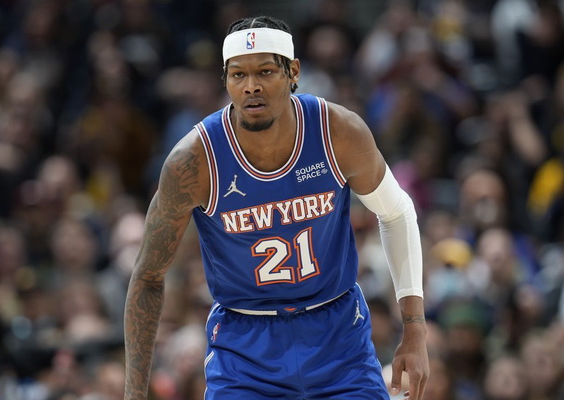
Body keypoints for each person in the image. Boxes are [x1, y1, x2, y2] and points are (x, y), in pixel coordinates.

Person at [124, 15, 429, 400]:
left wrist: (414, 330)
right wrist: (134, 395)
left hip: (338, 338)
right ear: (225, 81)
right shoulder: (194, 160)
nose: (251, 86)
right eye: (238, 75)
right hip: (245, 350)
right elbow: (148, 276)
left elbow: (396, 212)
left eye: (265, 72)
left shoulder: (337, 131)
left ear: (293, 72)